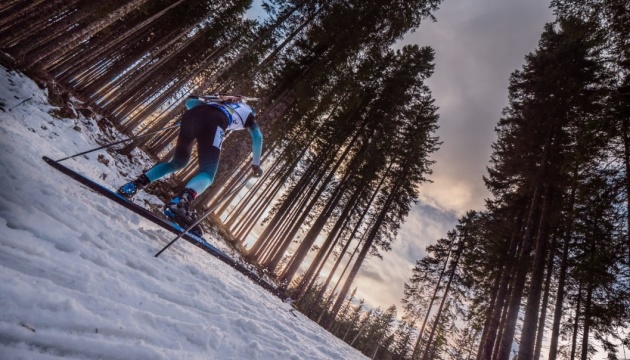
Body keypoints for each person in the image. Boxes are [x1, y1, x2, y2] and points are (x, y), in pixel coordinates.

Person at [117, 95, 263, 228]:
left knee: (178, 162)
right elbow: (258, 137)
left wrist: (199, 113)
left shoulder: (223, 102)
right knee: (208, 173)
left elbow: (190, 103)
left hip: (193, 115)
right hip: (216, 121)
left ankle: (133, 185)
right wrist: (255, 164)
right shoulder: (249, 114)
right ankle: (181, 203)